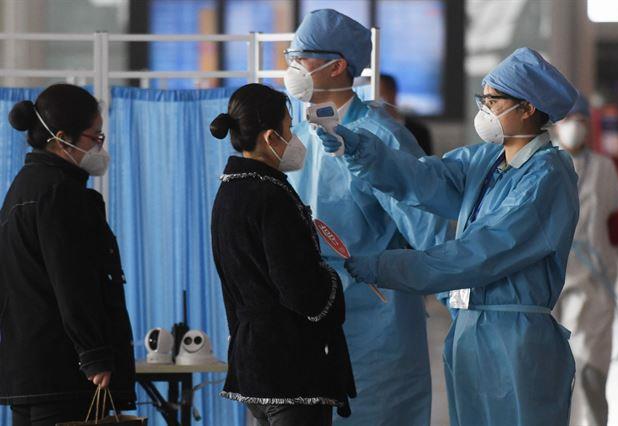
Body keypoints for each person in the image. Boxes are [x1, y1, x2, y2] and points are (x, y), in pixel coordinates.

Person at [318, 47, 580, 426]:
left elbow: (478, 255)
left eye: (493, 101)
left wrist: (381, 266)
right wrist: (362, 151)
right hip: (469, 329)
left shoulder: (547, 177)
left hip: (515, 340)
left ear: (527, 109)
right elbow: (425, 179)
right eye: (483, 99)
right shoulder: (486, 161)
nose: (484, 110)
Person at [283, 9, 450, 425]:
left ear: (337, 65)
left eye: (300, 57)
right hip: (309, 315)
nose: (292, 68)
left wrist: (461, 299)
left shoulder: (382, 137)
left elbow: (427, 227)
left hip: (377, 320)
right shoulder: (295, 135)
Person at [209, 83, 355, 426]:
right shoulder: (271, 197)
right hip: (290, 368)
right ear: (271, 138)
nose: (295, 138)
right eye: (290, 128)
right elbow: (302, 293)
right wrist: (332, 278)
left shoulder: (228, 193)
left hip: (252, 365)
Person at [0, 84, 135, 425]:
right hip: (63, 373)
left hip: (27, 369)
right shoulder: (61, 193)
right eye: (95, 138)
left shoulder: (22, 187)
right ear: (62, 138)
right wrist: (94, 354)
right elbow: (73, 281)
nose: (100, 147)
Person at [552, 94, 618, 426]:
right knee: (548, 373)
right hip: (547, 289)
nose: (573, 127)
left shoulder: (603, 169)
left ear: (589, 125)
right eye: (567, 119)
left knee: (589, 370)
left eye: (580, 120)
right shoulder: (543, 165)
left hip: (593, 288)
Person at [379, 73, 433, 156]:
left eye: (380, 94)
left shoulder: (419, 132)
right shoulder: (369, 130)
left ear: (393, 93)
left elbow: (428, 165)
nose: (376, 100)